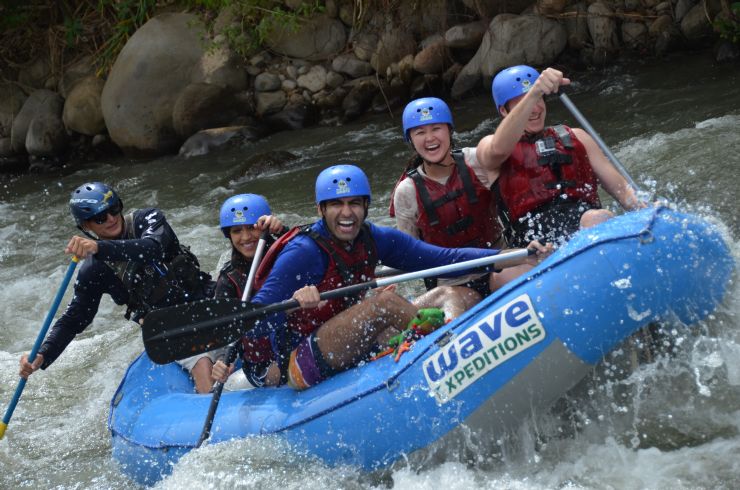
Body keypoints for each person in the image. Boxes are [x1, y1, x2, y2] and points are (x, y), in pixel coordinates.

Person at [213, 165, 551, 391]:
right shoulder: (303, 251)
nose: (347, 213)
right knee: (385, 302)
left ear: (365, 206)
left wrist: (512, 256)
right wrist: (290, 307)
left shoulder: (375, 238)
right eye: (337, 205)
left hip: (354, 338)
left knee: (455, 295)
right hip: (299, 360)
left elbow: (443, 260)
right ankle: (455, 356)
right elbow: (252, 318)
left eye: (355, 203)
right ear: (321, 210)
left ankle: (450, 357)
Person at [19, 182, 214, 382]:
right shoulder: (95, 270)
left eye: (113, 209)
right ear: (85, 226)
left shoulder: (147, 219)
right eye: (100, 218)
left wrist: (100, 247)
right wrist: (43, 355)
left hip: (209, 301)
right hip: (171, 327)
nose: (111, 219)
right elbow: (74, 319)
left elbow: (152, 248)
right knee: (202, 363)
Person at [477, 65, 644, 248]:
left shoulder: (578, 137)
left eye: (539, 98)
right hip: (534, 244)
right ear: (504, 111)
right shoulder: (490, 145)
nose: (534, 108)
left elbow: (623, 190)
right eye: (522, 102)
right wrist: (533, 93)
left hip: (588, 226)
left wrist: (649, 210)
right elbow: (498, 150)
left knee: (597, 217)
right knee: (596, 219)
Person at [390, 97, 508, 295]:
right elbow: (409, 254)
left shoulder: (476, 160)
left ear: (449, 130)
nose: (429, 138)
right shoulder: (406, 191)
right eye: (420, 132)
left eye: (436, 128)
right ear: (410, 140)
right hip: (453, 285)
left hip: (500, 264)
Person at [200, 193, 286, 391]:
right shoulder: (228, 281)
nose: (246, 237)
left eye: (252, 228)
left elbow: (313, 245)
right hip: (262, 365)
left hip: (296, 343)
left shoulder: (288, 253)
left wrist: (283, 231)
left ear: (265, 226)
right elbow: (225, 331)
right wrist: (222, 361)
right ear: (229, 235)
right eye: (237, 231)